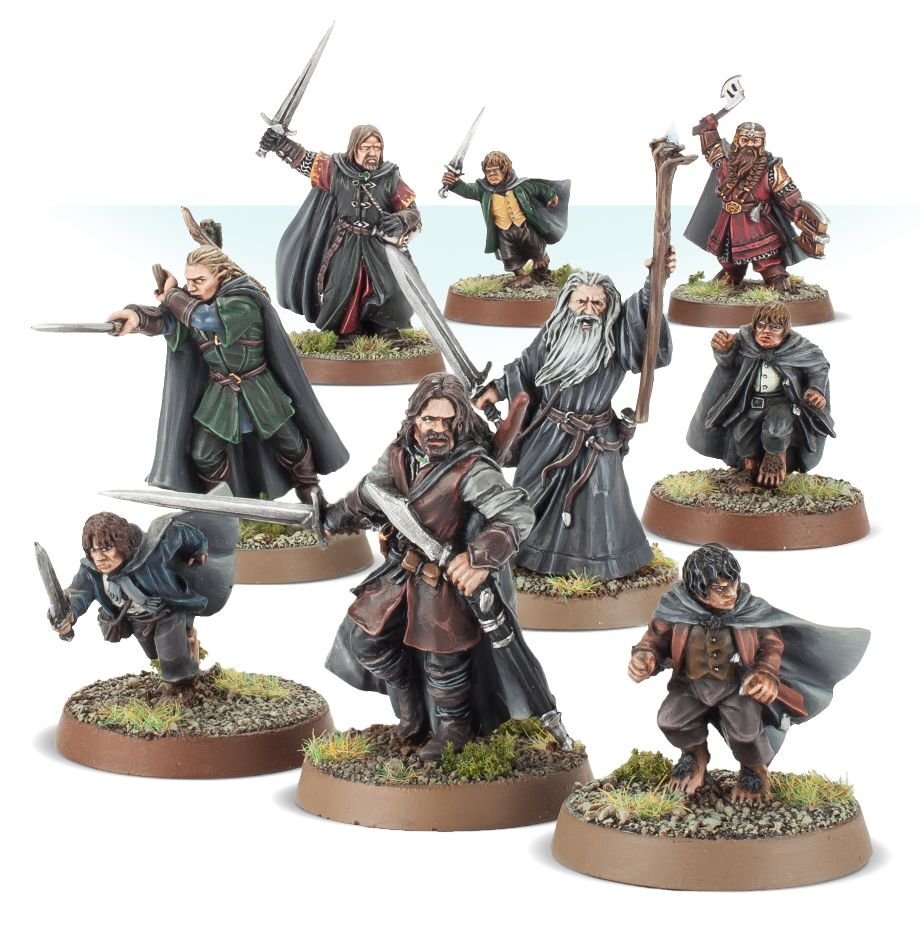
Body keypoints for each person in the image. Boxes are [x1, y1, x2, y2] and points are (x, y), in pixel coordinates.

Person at [323, 373, 562, 762]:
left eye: (447, 420)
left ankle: (454, 729)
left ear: (461, 421)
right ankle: (410, 707)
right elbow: (370, 497)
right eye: (428, 419)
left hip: (443, 582)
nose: (437, 428)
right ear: (414, 419)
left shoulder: (471, 468)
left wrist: (479, 558)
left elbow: (516, 514)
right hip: (402, 569)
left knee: (444, 661)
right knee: (366, 640)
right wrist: (330, 519)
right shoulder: (399, 455)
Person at [474, 261, 673, 579]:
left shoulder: (616, 337)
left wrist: (655, 279)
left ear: (608, 307)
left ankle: (593, 567)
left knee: (596, 503)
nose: (588, 310)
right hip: (548, 434)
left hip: (595, 438)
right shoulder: (553, 335)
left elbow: (643, 313)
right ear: (568, 302)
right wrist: (496, 389)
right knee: (529, 494)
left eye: (597, 303)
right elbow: (526, 368)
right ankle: (525, 554)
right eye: (581, 301)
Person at [628, 543, 869, 802]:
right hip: (691, 685)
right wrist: (645, 656)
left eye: (734, 583)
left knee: (746, 733)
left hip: (736, 687)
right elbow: (656, 638)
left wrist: (765, 673)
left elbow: (771, 645)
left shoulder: (750, 610)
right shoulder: (675, 609)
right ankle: (694, 756)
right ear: (698, 588)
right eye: (720, 589)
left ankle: (753, 771)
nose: (731, 593)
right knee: (671, 720)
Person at [108, 241, 349, 500]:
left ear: (221, 275)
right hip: (221, 392)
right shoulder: (191, 302)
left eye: (199, 280)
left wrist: (172, 295)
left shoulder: (243, 302)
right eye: (188, 281)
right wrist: (137, 317)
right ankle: (223, 502)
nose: (191, 288)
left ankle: (308, 488)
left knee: (290, 442)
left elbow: (203, 318)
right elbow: (166, 320)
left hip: (259, 386)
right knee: (203, 453)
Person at [260, 124, 421, 341]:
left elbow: (411, 210)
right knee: (342, 285)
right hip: (345, 242)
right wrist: (280, 144)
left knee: (391, 285)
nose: (372, 153)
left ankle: (386, 327)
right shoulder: (335, 169)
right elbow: (304, 160)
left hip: (377, 242)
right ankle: (347, 329)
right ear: (354, 147)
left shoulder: (390, 176)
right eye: (366, 147)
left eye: (377, 147)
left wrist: (400, 220)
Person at [51, 509, 236, 689]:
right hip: (136, 618)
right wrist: (68, 614)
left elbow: (178, 533)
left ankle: (181, 688)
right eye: (93, 550)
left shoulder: (152, 553)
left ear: (121, 544)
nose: (99, 557)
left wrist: (199, 548)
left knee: (170, 651)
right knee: (154, 652)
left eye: (106, 548)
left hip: (166, 609)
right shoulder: (91, 571)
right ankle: (190, 649)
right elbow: (78, 592)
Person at [686, 301, 834, 487]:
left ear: (786, 329)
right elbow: (729, 364)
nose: (766, 332)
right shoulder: (744, 342)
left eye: (775, 327)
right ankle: (749, 470)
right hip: (750, 401)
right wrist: (724, 349)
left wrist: (816, 389)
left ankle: (776, 459)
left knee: (777, 430)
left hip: (781, 402)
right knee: (742, 432)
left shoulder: (799, 348)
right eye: (761, 326)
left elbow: (817, 366)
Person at [684, 116, 825, 292]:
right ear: (737, 141)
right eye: (745, 140)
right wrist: (709, 129)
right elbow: (712, 149)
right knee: (727, 255)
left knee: (766, 255)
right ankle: (732, 274)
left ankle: (776, 277)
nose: (750, 145)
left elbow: (787, 192)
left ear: (762, 143)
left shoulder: (772, 168)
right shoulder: (724, 163)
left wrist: (797, 211)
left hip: (757, 222)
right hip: (728, 221)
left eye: (755, 141)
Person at [442, 150, 569, 288]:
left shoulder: (521, 186)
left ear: (505, 170)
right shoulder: (482, 190)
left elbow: (538, 188)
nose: (491, 174)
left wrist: (550, 195)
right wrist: (454, 183)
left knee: (538, 251)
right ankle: (521, 276)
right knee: (508, 257)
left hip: (525, 228)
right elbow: (467, 190)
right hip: (504, 233)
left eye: (495, 170)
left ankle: (541, 272)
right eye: (488, 171)